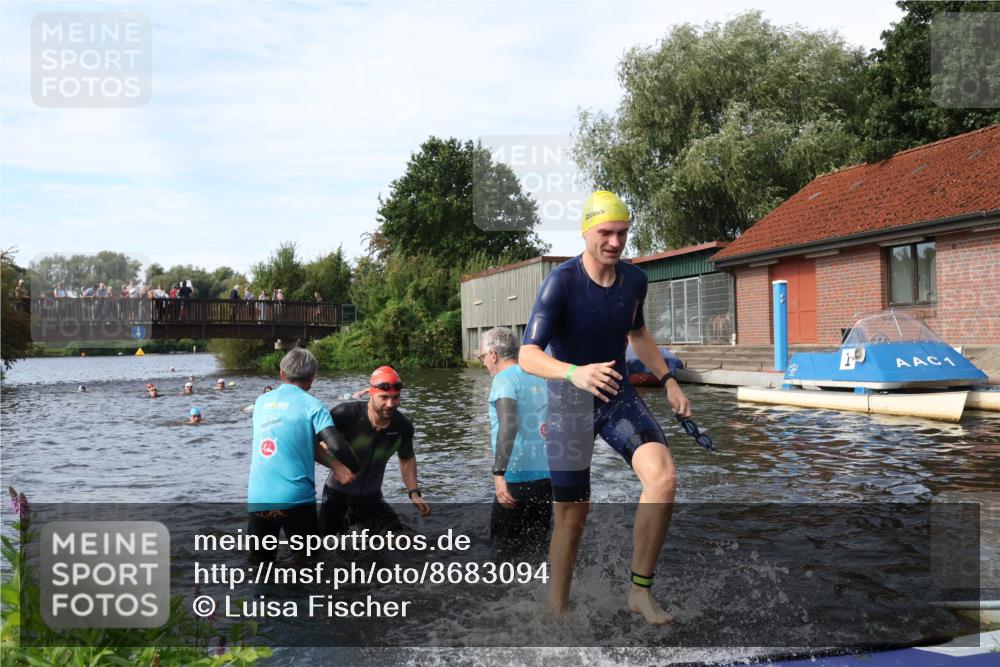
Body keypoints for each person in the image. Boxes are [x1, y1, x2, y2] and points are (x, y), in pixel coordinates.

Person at [519, 190, 693, 626]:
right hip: (569, 402)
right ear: (586, 233)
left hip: (616, 394)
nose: (615, 242)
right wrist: (573, 373)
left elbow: (638, 334)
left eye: (622, 233)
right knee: (572, 516)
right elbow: (527, 355)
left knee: (664, 477)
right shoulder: (561, 281)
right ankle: (557, 610)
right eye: (606, 233)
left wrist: (668, 380)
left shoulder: (635, 280)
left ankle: (640, 591)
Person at [247, 348, 361, 561]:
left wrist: (337, 467)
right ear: (312, 378)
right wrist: (354, 467)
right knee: (309, 562)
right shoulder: (313, 405)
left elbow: (296, 442)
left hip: (258, 498)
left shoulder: (261, 403)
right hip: (296, 500)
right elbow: (335, 444)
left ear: (282, 374)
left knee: (260, 565)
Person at [319, 366, 431, 537]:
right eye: (384, 397)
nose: (390, 404)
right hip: (337, 496)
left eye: (395, 398)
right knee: (328, 548)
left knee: (400, 540)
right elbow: (314, 443)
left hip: (372, 497)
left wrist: (414, 493)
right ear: (371, 394)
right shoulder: (345, 414)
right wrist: (334, 458)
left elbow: (406, 458)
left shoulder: (403, 426)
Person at [480, 327, 551, 550]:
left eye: (483, 357)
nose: (484, 363)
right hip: (546, 479)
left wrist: (499, 474)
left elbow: (508, 425)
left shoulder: (503, 380)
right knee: (537, 548)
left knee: (502, 552)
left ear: (493, 355)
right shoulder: (538, 377)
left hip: (516, 478)